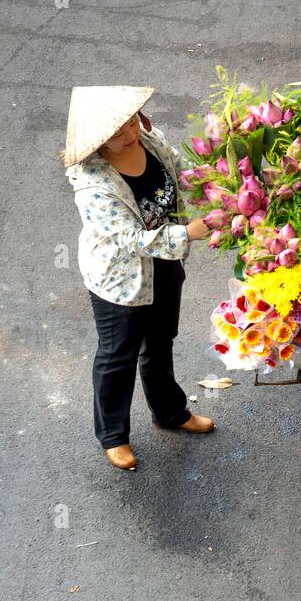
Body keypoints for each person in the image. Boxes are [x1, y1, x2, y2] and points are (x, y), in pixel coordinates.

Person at [62, 85, 215, 472]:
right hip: (120, 281)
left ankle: (170, 411)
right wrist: (190, 232)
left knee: (161, 343)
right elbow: (132, 240)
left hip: (163, 267)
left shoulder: (149, 139)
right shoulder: (94, 186)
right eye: (117, 133)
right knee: (118, 357)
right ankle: (113, 435)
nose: (130, 133)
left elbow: (182, 170)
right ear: (97, 142)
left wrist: (217, 181)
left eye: (131, 122)